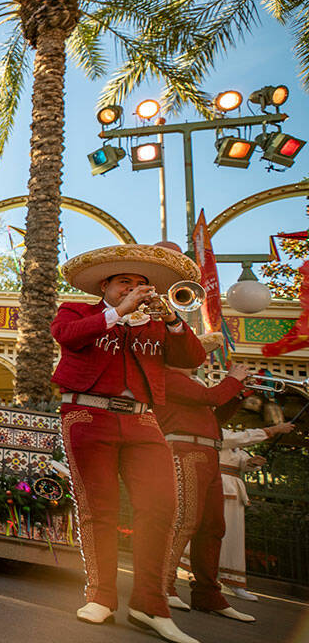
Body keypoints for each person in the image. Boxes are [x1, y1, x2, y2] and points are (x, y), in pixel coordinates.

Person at [51, 243, 207, 643]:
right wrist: (117, 313)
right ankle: (101, 597)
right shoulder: (78, 310)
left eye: (141, 284)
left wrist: (172, 317)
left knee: (161, 508)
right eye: (125, 282)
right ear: (105, 286)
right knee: (98, 509)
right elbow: (66, 337)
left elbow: (191, 358)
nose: (135, 289)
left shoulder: (157, 322)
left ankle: (150, 605)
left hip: (142, 419)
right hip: (88, 414)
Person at [154, 335, 255, 621]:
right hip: (185, 450)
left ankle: (208, 594)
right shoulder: (167, 377)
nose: (198, 359)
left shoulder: (192, 385)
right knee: (184, 521)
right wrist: (233, 380)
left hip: (208, 452)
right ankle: (163, 585)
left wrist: (237, 393)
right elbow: (209, 398)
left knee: (213, 526)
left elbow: (214, 417)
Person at [209, 421, 294, 600]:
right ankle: (186, 570)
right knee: (209, 532)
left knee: (233, 536)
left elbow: (242, 461)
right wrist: (273, 430)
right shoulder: (215, 430)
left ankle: (232, 580)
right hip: (217, 485)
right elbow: (240, 438)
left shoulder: (236, 445)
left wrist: (251, 462)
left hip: (234, 490)